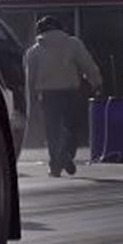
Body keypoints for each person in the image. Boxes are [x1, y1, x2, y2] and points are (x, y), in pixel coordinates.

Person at [25, 16, 103, 177]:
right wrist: (96, 83)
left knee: (52, 130)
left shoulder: (34, 51)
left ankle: (55, 164)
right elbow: (87, 64)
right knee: (71, 127)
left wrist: (30, 96)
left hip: (47, 95)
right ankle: (67, 153)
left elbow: (29, 78)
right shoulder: (73, 44)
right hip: (71, 92)